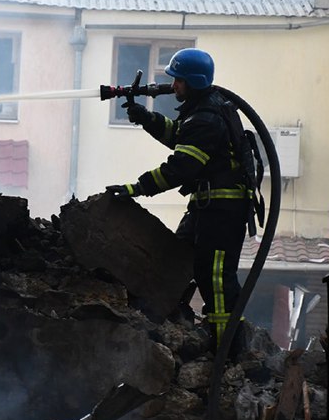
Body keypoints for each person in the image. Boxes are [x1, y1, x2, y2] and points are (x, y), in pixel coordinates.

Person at [106, 48, 248, 356]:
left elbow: (180, 168)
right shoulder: (202, 111)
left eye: (178, 81)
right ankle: (175, 320)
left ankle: (226, 351)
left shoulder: (208, 117)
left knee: (216, 278)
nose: (173, 87)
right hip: (206, 206)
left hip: (222, 212)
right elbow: (180, 135)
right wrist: (146, 119)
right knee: (178, 256)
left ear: (194, 82)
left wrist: (136, 187)